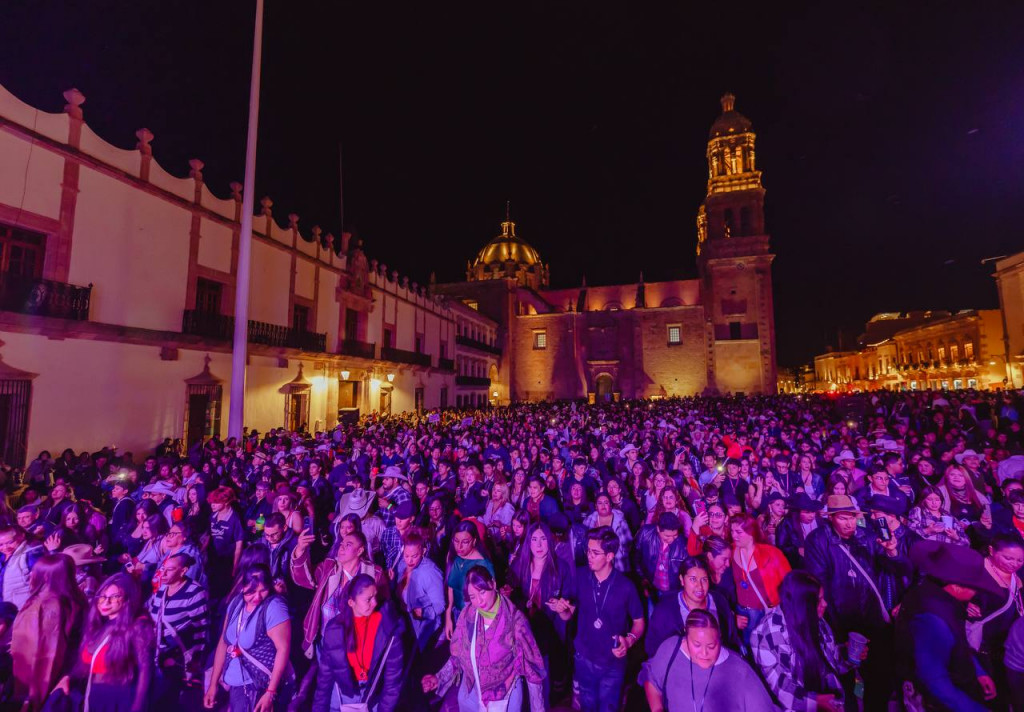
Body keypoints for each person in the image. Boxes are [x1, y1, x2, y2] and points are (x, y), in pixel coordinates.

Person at [804, 493, 910, 710]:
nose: (849, 523)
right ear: (830, 518)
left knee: (879, 678)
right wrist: (837, 632)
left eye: (852, 517)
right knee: (843, 681)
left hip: (872, 619)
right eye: (843, 518)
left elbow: (900, 570)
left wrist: (892, 552)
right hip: (840, 623)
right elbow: (820, 584)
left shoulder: (868, 537)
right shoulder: (817, 540)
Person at [422, 566, 546, 712]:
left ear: (493, 584)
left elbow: (533, 670)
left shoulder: (515, 622)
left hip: (504, 697)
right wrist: (439, 677)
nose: (479, 601)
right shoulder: (468, 614)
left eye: (482, 592)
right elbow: (458, 654)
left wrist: (538, 708)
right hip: (472, 692)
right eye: (472, 596)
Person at [896, 540, 1000, 712]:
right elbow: (934, 680)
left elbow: (956, 640)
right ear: (956, 587)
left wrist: (978, 671)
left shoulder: (934, 592)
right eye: (975, 587)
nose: (978, 592)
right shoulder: (932, 618)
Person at [751, 571, 852, 712]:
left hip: (828, 701)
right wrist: (815, 702)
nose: (825, 604)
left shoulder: (817, 621)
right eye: (819, 600)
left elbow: (832, 663)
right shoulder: (768, 635)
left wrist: (848, 655)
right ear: (803, 604)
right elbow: (781, 689)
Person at [53, 573, 155, 712]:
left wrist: (138, 707)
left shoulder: (138, 626)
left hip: (120, 700)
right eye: (103, 596)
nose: (106, 602)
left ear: (128, 599)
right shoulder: (99, 623)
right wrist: (69, 677)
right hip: (94, 695)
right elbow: (86, 663)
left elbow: (146, 671)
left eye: (114, 597)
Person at [641, 609, 776, 712]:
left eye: (711, 646)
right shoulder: (670, 649)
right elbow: (652, 682)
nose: (704, 653)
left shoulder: (740, 670)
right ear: (686, 635)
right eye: (697, 645)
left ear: (720, 638)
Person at [573, 526, 644, 712]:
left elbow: (639, 622)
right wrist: (562, 609)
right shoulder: (580, 576)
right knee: (587, 706)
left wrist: (629, 641)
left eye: (595, 552)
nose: (589, 556)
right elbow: (569, 612)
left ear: (610, 556)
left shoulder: (626, 586)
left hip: (612, 664)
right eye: (588, 550)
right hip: (584, 658)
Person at [205, 565, 293, 712]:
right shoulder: (236, 603)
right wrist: (213, 685)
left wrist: (270, 693)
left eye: (263, 591)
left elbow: (283, 649)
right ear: (242, 587)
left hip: (256, 685)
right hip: (232, 682)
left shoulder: (274, 607)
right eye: (251, 592)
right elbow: (223, 641)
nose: (257, 597)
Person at [313, 574, 405, 712]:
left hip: (371, 695)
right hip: (341, 695)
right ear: (351, 602)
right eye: (368, 599)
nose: (374, 603)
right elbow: (325, 675)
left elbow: (393, 680)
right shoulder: (335, 629)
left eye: (375, 596)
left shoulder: (388, 627)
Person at [506, 521, 575, 703]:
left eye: (543, 539)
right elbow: (510, 596)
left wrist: (562, 608)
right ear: (528, 542)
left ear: (550, 541)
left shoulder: (561, 568)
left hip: (549, 634)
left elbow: (569, 610)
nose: (538, 545)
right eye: (534, 539)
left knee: (543, 677)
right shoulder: (518, 565)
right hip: (523, 632)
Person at [290, 528, 388, 655]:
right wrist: (300, 550)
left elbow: (383, 606)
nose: (341, 548)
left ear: (360, 550)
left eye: (348, 545)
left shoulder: (375, 573)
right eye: (341, 544)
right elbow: (306, 579)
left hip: (355, 643)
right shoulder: (329, 567)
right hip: (325, 639)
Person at [10, 553, 85, 711]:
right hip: (64, 670)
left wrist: (30, 695)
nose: (31, 574)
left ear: (47, 576)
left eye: (36, 572)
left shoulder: (47, 606)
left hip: (37, 680)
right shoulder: (75, 598)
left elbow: (43, 653)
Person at [147, 551, 209, 706]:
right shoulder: (162, 588)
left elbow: (201, 628)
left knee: (168, 698)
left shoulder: (195, 592)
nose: (164, 572)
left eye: (170, 569)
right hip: (156, 652)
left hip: (176, 655)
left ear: (183, 571)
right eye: (163, 568)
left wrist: (196, 658)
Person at [968, 533, 1024, 700]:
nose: (1014, 564)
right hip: (981, 649)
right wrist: (964, 605)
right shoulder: (975, 572)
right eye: (1008, 558)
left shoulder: (1017, 577)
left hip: (1008, 648)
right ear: (991, 551)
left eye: (1020, 560)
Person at [646, 555, 737, 656]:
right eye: (693, 579)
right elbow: (653, 649)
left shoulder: (719, 602)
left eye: (704, 579)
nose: (699, 586)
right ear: (682, 580)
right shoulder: (664, 611)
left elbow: (731, 639)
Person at [729, 513, 791, 647]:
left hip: (768, 611)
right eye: (732, 531)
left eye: (739, 532)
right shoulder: (731, 550)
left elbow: (789, 584)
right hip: (744, 612)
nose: (734, 535)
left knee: (771, 645)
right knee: (749, 646)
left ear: (751, 532)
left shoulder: (772, 553)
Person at [394, 531, 446, 652]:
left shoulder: (430, 573)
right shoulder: (402, 565)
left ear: (423, 551)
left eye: (414, 556)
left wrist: (424, 612)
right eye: (406, 555)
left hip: (426, 629)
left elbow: (440, 605)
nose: (410, 560)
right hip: (408, 624)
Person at [444, 520, 495, 637]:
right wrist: (448, 615)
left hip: (476, 615)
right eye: (456, 541)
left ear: (474, 541)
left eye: (465, 542)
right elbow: (451, 587)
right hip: (457, 612)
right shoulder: (454, 557)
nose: (459, 546)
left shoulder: (483, 564)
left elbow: (491, 597)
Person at [633, 512, 688, 604]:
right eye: (667, 536)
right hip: (652, 587)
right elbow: (635, 557)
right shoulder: (645, 534)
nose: (672, 539)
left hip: (673, 591)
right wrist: (642, 579)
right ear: (658, 529)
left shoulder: (683, 544)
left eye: (675, 535)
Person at [0, 524, 44, 609]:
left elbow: (42, 582)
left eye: (10, 542)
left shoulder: (31, 553)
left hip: (21, 608)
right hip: (3, 610)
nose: (5, 547)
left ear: (21, 536)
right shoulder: (1, 556)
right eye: (1, 544)